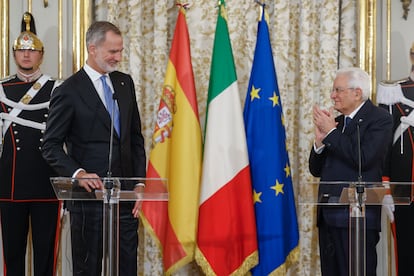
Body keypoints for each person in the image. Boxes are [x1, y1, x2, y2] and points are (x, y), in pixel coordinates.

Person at [41, 21, 146, 275]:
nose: (118, 57)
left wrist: (140, 184)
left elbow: (135, 139)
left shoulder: (124, 83)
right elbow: (50, 145)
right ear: (92, 49)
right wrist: (78, 173)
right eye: (112, 51)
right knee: (88, 269)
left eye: (121, 51)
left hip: (124, 198)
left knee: (127, 267)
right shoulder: (68, 90)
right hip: (89, 200)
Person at [309, 67, 393, 276]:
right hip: (329, 216)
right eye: (333, 90)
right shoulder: (336, 124)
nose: (332, 95)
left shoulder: (379, 119)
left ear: (357, 93)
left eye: (338, 90)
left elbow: (363, 159)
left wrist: (331, 132)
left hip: (358, 219)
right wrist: (319, 143)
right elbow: (316, 170)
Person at [0, 12, 62, 276]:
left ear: (41, 54)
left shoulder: (57, 88)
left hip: (46, 183)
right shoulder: (1, 89)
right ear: (14, 54)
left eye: (32, 50)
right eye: (21, 50)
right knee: (12, 254)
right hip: (10, 183)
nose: (26, 55)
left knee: (45, 254)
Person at [377, 42, 414, 276]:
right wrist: (386, 189)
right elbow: (383, 147)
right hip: (404, 192)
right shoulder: (394, 92)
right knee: (407, 258)